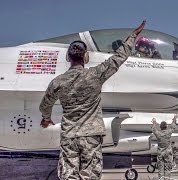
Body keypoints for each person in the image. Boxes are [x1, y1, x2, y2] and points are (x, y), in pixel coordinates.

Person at [39, 20, 146, 180]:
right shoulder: (95, 75)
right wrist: (132, 36)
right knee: (90, 176)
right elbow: (118, 58)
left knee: (69, 176)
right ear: (86, 57)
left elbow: (45, 104)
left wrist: (46, 119)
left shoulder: (57, 82)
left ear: (68, 57)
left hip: (69, 136)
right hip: (91, 136)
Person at [151, 114, 178, 180]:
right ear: (166, 126)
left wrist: (154, 122)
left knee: (160, 169)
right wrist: (174, 118)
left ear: (160, 127)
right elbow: (173, 127)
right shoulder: (168, 132)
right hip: (168, 153)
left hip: (160, 153)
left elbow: (154, 129)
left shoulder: (158, 133)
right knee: (167, 169)